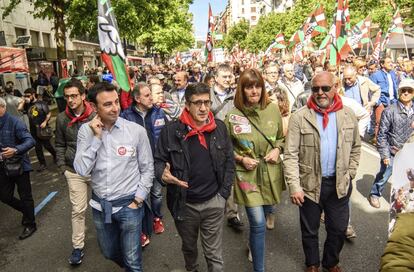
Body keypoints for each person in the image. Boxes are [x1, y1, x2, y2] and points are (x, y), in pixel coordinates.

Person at [284, 71, 361, 272]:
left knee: (338, 229)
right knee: (309, 230)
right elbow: (290, 154)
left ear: (335, 88)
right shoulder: (299, 117)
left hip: (339, 185)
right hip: (309, 184)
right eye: (316, 88)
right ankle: (312, 263)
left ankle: (331, 261)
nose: (320, 92)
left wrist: (351, 172)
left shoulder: (348, 115)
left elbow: (356, 147)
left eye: (325, 88)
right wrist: (294, 186)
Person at [154, 82, 235, 272]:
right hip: (184, 205)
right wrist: (162, 175)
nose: (203, 108)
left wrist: (223, 195)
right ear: (187, 105)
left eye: (207, 102)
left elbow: (229, 162)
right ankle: (192, 268)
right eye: (197, 103)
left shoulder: (220, 128)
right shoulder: (170, 132)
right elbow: (158, 161)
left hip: (214, 202)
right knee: (189, 248)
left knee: (214, 255)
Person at [74, 82, 154, 272]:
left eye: (116, 102)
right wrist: (96, 138)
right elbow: (82, 171)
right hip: (102, 206)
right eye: (107, 104)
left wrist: (138, 199)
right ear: (94, 107)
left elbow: (147, 168)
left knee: (134, 260)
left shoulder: (136, 131)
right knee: (109, 252)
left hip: (130, 205)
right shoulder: (86, 131)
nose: (115, 108)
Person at [224, 69, 285, 272]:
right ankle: (259, 269)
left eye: (257, 86)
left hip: (271, 173)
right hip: (246, 176)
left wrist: (277, 150)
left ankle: (252, 243)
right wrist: (241, 158)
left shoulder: (273, 109)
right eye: (249, 87)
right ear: (241, 90)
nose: (254, 91)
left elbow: (281, 138)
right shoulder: (232, 115)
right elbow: (225, 147)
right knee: (258, 223)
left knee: (267, 211)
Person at [120, 82, 167, 247]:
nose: (151, 98)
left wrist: (166, 159)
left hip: (156, 161)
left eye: (151, 94)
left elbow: (166, 137)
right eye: (147, 95)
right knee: (139, 196)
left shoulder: (159, 112)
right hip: (135, 165)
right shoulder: (126, 116)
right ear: (137, 98)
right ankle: (140, 228)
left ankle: (157, 218)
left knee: (156, 193)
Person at [55, 79, 95, 265]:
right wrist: (63, 168)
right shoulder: (62, 118)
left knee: (106, 204)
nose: (70, 100)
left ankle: (113, 238)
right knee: (78, 210)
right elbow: (60, 145)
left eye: (74, 96)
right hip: (74, 171)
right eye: (67, 97)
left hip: (97, 170)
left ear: (83, 95)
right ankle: (77, 247)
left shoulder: (95, 114)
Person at [368, 79, 414, 209]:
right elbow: (382, 135)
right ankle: (375, 194)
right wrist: (385, 155)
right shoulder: (389, 110)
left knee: (407, 179)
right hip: (392, 151)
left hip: (409, 152)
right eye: (403, 90)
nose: (406, 93)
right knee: (384, 176)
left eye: (409, 90)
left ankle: (402, 202)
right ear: (399, 92)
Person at [209, 63, 243, 231]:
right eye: (225, 76)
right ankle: (213, 212)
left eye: (230, 76)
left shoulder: (237, 95)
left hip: (231, 142)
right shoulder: (206, 95)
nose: (229, 79)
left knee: (230, 179)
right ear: (215, 78)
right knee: (213, 177)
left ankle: (232, 214)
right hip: (210, 142)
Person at [0, 97, 36, 240]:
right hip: (3, 167)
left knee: (25, 196)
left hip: (19, 165)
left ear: (2, 107)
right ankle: (27, 211)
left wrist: (15, 150)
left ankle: (30, 223)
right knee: (4, 196)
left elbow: (30, 141)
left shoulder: (15, 122)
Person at [24, 88, 56, 172]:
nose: (26, 97)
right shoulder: (27, 104)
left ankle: (55, 155)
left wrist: (45, 122)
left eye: (27, 96)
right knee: (37, 147)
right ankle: (42, 164)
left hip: (42, 128)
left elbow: (48, 113)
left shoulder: (41, 103)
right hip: (33, 129)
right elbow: (19, 109)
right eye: (25, 96)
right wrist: (23, 100)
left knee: (47, 145)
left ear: (33, 94)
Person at [369, 57, 399, 141]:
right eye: (388, 62)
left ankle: (387, 139)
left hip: (393, 101)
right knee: (379, 122)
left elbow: (395, 87)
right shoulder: (375, 75)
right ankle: (378, 140)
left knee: (391, 121)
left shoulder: (392, 73)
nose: (391, 64)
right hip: (381, 101)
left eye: (391, 62)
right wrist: (378, 102)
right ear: (382, 64)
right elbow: (371, 90)